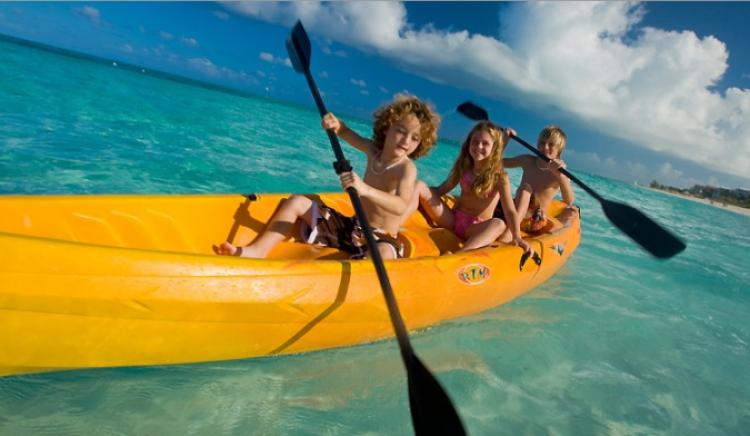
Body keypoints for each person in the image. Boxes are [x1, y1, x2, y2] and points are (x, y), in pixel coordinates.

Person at [212, 94, 440, 259]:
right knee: (297, 201)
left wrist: (365, 190)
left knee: (384, 253)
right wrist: (335, 124)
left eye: (415, 138)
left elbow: (400, 206)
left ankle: (359, 275)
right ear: (387, 128)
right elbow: (346, 133)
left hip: (380, 238)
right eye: (401, 131)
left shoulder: (406, 169)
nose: (406, 141)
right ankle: (257, 250)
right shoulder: (373, 151)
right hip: (352, 227)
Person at [406, 120, 533, 253]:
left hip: (474, 228)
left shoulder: (499, 177)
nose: (478, 146)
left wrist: (517, 236)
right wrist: (418, 194)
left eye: (485, 143)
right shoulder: (464, 167)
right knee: (419, 185)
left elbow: (510, 211)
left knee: (499, 224)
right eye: (475, 141)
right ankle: (398, 220)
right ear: (468, 143)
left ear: (494, 147)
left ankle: (460, 255)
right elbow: (440, 190)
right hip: (453, 218)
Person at [503, 125, 576, 234]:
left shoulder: (560, 172)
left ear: (559, 150)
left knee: (525, 188)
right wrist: (504, 141)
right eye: (542, 143)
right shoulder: (528, 161)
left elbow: (569, 201)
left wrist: (561, 177)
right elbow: (497, 163)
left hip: (535, 220)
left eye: (551, 145)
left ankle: (510, 232)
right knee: (511, 185)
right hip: (514, 212)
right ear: (537, 145)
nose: (545, 147)